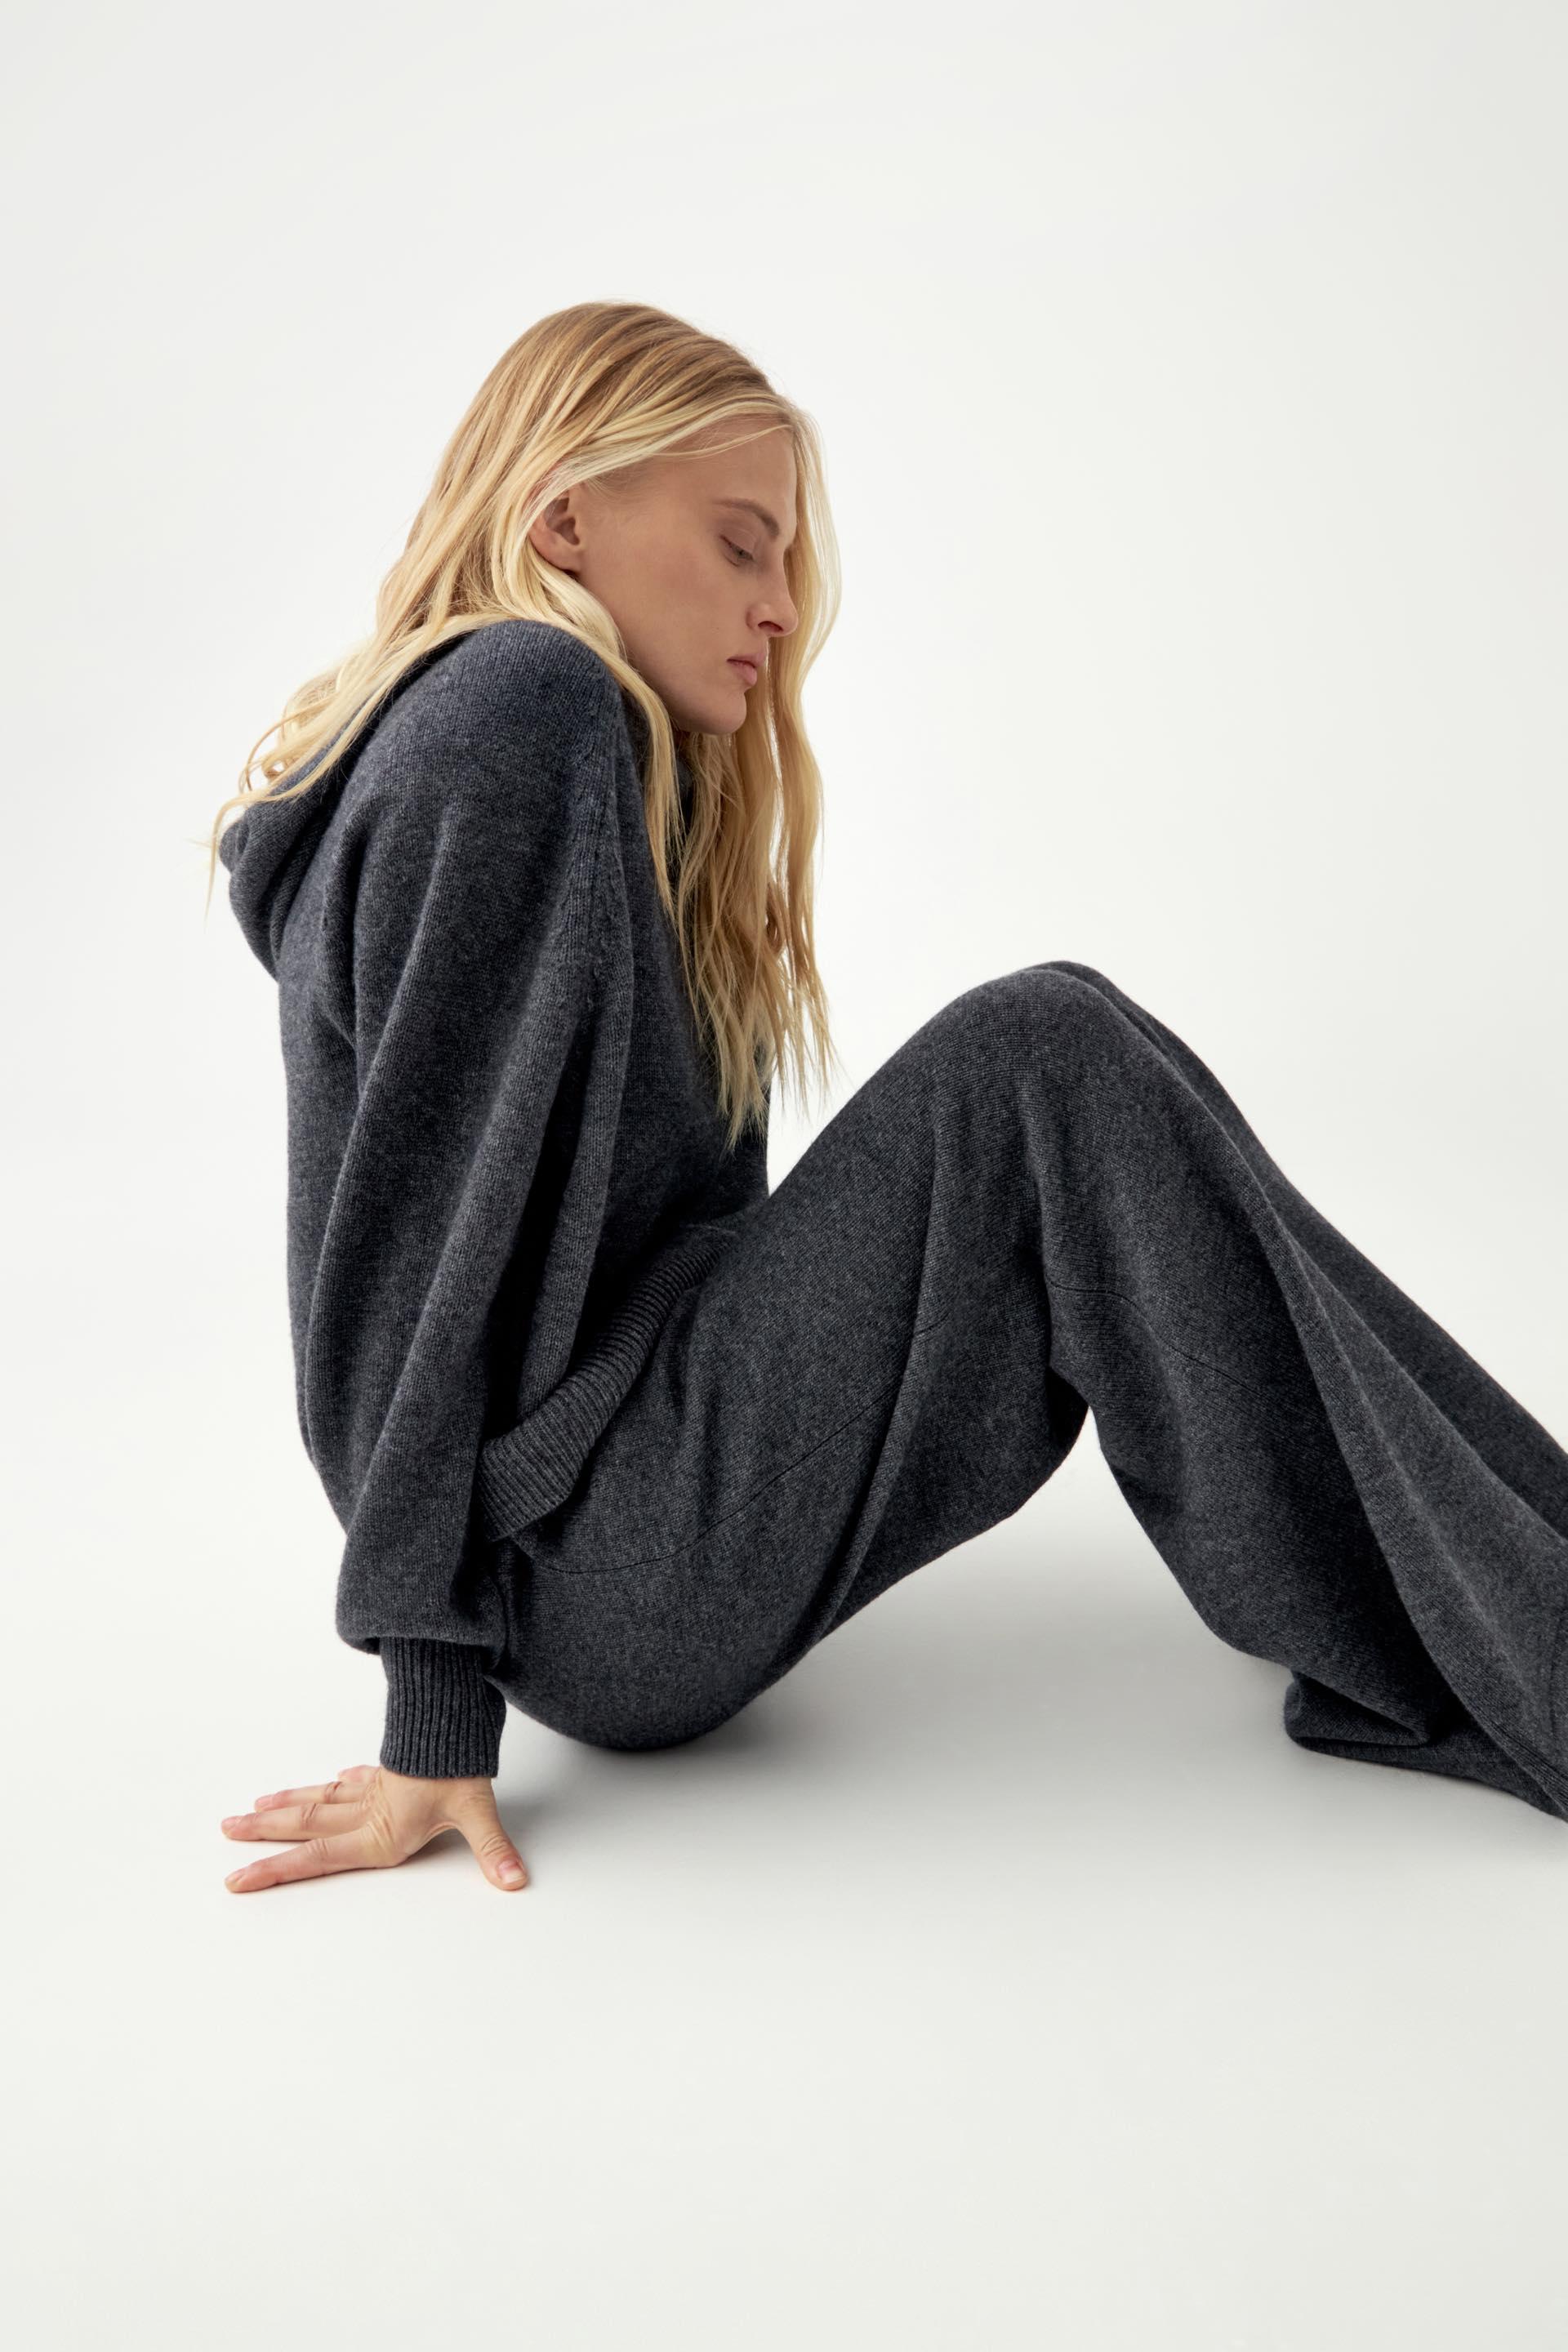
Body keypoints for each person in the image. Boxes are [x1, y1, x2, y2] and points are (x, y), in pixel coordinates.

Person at [208, 301, 1568, 1897]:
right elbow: (417, 1264)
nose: (781, 607)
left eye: (785, 561)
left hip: (615, 1534)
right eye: (739, 545)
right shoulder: (516, 711)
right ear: (564, 518)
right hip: (589, 1567)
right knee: (1045, 1052)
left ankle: (1523, 1587)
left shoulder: (588, 761)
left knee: (1069, 1049)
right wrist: (432, 1709)